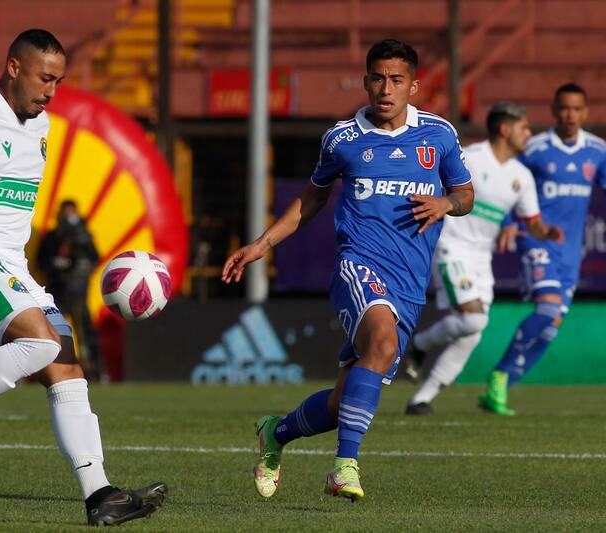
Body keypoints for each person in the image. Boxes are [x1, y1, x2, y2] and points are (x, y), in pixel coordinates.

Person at [0, 29, 165, 526]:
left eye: (58, 82)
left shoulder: (41, 124)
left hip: (11, 264)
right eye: (44, 78)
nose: (51, 91)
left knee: (67, 368)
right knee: (41, 344)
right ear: (13, 67)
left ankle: (99, 494)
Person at [222, 39, 474, 501]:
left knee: (344, 402)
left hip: (410, 282)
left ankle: (276, 433)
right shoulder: (343, 139)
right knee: (382, 343)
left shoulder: (438, 135)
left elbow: (465, 194)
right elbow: (312, 198)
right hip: (358, 265)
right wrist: (262, 243)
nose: (385, 88)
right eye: (377, 78)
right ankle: (344, 467)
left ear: (413, 86)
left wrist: (446, 203)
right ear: (365, 81)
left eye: (396, 79)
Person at [402, 102, 564, 415]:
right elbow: (438, 188)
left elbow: (532, 222)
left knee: (472, 333)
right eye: (524, 128)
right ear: (504, 129)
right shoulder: (471, 158)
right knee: (475, 319)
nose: (528, 134)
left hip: (481, 258)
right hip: (452, 246)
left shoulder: (521, 176)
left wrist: (546, 232)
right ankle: (420, 344)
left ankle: (422, 398)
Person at [478, 84, 606, 416]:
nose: (570, 115)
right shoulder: (536, 148)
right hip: (535, 239)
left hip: (570, 252)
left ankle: (499, 388)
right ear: (554, 110)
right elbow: (509, 178)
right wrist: (509, 220)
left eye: (576, 109)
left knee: (549, 330)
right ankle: (500, 375)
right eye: (564, 108)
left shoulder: (597, 151)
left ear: (585, 112)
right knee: (547, 309)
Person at [37, 199, 102, 380]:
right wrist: (55, 267)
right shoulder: (51, 237)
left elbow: (94, 259)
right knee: (51, 332)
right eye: (64, 213)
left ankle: (94, 371)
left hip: (77, 293)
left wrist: (79, 271)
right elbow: (41, 261)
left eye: (70, 213)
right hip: (56, 293)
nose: (67, 217)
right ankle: (47, 371)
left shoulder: (83, 237)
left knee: (84, 333)